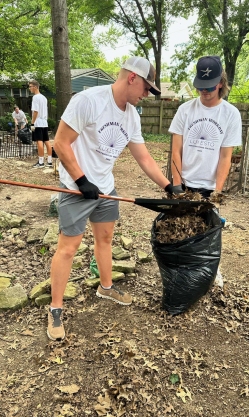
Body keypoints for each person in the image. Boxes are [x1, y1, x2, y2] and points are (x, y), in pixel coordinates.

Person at [47, 56, 174, 340]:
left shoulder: (131, 115)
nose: (146, 95)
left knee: (104, 239)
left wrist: (169, 187)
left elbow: (143, 156)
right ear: (132, 78)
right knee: (68, 248)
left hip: (105, 187)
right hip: (76, 188)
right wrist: (81, 179)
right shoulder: (88, 101)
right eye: (145, 88)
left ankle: (106, 288)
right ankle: (55, 308)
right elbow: (60, 142)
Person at [169, 55, 242, 288]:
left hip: (210, 185)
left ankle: (212, 270)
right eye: (200, 87)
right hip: (186, 181)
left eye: (210, 87)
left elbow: (225, 156)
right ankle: (184, 270)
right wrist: (178, 185)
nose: (205, 92)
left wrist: (217, 191)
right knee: (182, 228)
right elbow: (176, 151)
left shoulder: (230, 114)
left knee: (210, 231)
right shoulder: (185, 110)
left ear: (221, 82)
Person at [28, 80, 53, 168]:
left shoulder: (35, 97)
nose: (29, 88)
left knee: (39, 141)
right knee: (47, 141)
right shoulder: (44, 97)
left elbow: (36, 111)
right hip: (44, 122)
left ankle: (41, 162)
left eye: (30, 86)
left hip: (38, 122)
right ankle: (49, 161)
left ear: (35, 86)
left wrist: (32, 123)